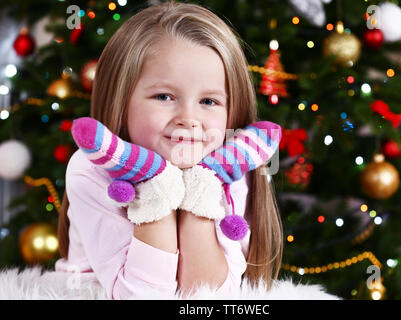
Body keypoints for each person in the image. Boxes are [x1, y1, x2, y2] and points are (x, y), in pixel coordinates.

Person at [56, 0, 283, 300]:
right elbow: (140, 296)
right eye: (163, 96)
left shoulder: (232, 164)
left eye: (208, 102)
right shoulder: (91, 169)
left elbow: (207, 298)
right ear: (119, 102)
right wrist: (156, 184)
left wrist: (202, 184)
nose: (188, 119)